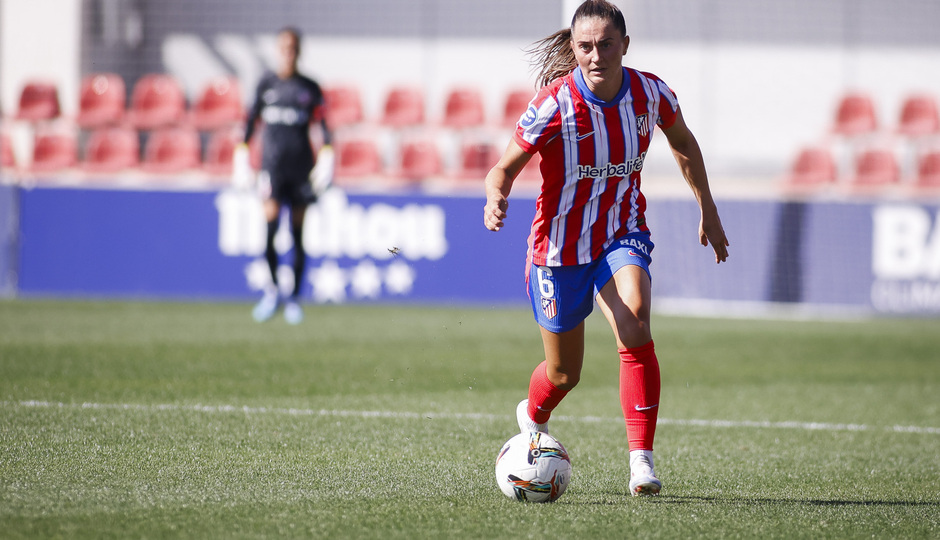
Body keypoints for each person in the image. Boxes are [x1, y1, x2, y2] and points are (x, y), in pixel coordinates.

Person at [483, 0, 729, 497]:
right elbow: (503, 168)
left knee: (635, 321)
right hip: (559, 248)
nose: (596, 55)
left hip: (622, 231)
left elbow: (684, 142)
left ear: (625, 45)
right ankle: (532, 414)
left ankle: (642, 462)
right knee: (563, 373)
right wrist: (496, 195)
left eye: (606, 44)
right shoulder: (555, 105)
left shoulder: (650, 93)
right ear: (574, 49)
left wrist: (708, 206)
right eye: (585, 47)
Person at [234, 26, 333, 324]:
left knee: (298, 236)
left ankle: (294, 299)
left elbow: (324, 127)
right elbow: (250, 122)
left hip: (301, 169)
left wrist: (327, 155)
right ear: (278, 50)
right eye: (284, 47)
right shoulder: (266, 84)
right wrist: (241, 152)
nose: (288, 52)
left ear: (299, 51)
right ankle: (273, 291)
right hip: (272, 169)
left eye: (293, 47)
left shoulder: (310, 88)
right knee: (269, 232)